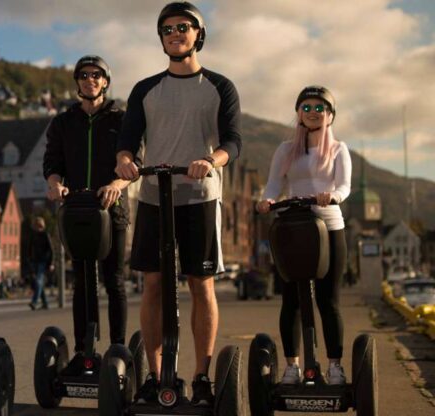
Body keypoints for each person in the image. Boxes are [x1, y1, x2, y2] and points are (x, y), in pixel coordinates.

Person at [115, 2, 242, 405]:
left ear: (198, 34)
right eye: (167, 28)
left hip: (199, 196)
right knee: (152, 283)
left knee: (200, 284)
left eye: (183, 27)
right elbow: (127, 143)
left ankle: (202, 377)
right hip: (154, 195)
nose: (175, 33)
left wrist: (211, 160)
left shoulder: (220, 87)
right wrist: (125, 161)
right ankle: (155, 378)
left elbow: (233, 141)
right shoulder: (145, 89)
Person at [257, 85, 352, 385]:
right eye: (306, 107)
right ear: (299, 113)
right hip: (294, 227)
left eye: (319, 107)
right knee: (292, 301)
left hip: (328, 227)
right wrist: (267, 200)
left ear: (330, 114)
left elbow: (345, 186)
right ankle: (292, 366)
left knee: (328, 300)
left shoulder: (339, 150)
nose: (312, 113)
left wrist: (332, 196)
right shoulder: (286, 149)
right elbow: (274, 184)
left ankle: (335, 366)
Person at [43, 55, 130, 374]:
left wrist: (115, 185)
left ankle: (118, 348)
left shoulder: (121, 119)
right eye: (83, 74)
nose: (89, 79)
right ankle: (84, 351)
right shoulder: (64, 122)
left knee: (114, 280)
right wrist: (56, 185)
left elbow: (134, 163)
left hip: (112, 210)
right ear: (77, 81)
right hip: (79, 211)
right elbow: (52, 163)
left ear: (106, 81)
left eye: (96, 75)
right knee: (82, 282)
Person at [27, 216, 53, 310]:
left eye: (40, 226)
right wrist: (29, 259)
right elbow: (29, 248)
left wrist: (50, 263)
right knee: (38, 283)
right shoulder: (33, 235)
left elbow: (50, 250)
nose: (38, 228)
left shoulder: (46, 235)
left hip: (43, 262)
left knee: (38, 281)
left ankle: (34, 302)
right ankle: (45, 303)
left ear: (43, 226)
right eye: (37, 226)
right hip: (34, 261)